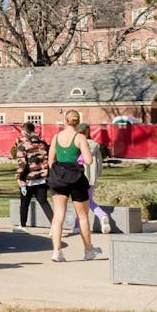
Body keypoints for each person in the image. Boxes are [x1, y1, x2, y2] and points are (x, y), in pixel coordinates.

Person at [47, 110, 101, 262]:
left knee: (58, 216)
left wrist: (59, 171)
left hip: (59, 179)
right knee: (83, 216)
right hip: (76, 179)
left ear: (65, 121)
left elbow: (51, 161)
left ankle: (57, 252)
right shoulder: (80, 137)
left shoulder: (56, 137)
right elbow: (89, 160)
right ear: (78, 122)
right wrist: (78, 158)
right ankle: (88, 251)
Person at [12, 122, 54, 233]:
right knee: (44, 202)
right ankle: (55, 225)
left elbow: (22, 164)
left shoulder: (22, 146)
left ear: (24, 131)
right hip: (42, 177)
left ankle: (23, 226)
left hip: (28, 179)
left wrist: (18, 177)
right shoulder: (43, 144)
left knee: (24, 203)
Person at [71, 122, 112, 235]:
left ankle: (101, 215)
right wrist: (97, 175)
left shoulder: (78, 145)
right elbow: (99, 162)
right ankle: (77, 225)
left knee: (84, 201)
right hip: (92, 178)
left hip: (80, 177)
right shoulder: (95, 145)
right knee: (83, 201)